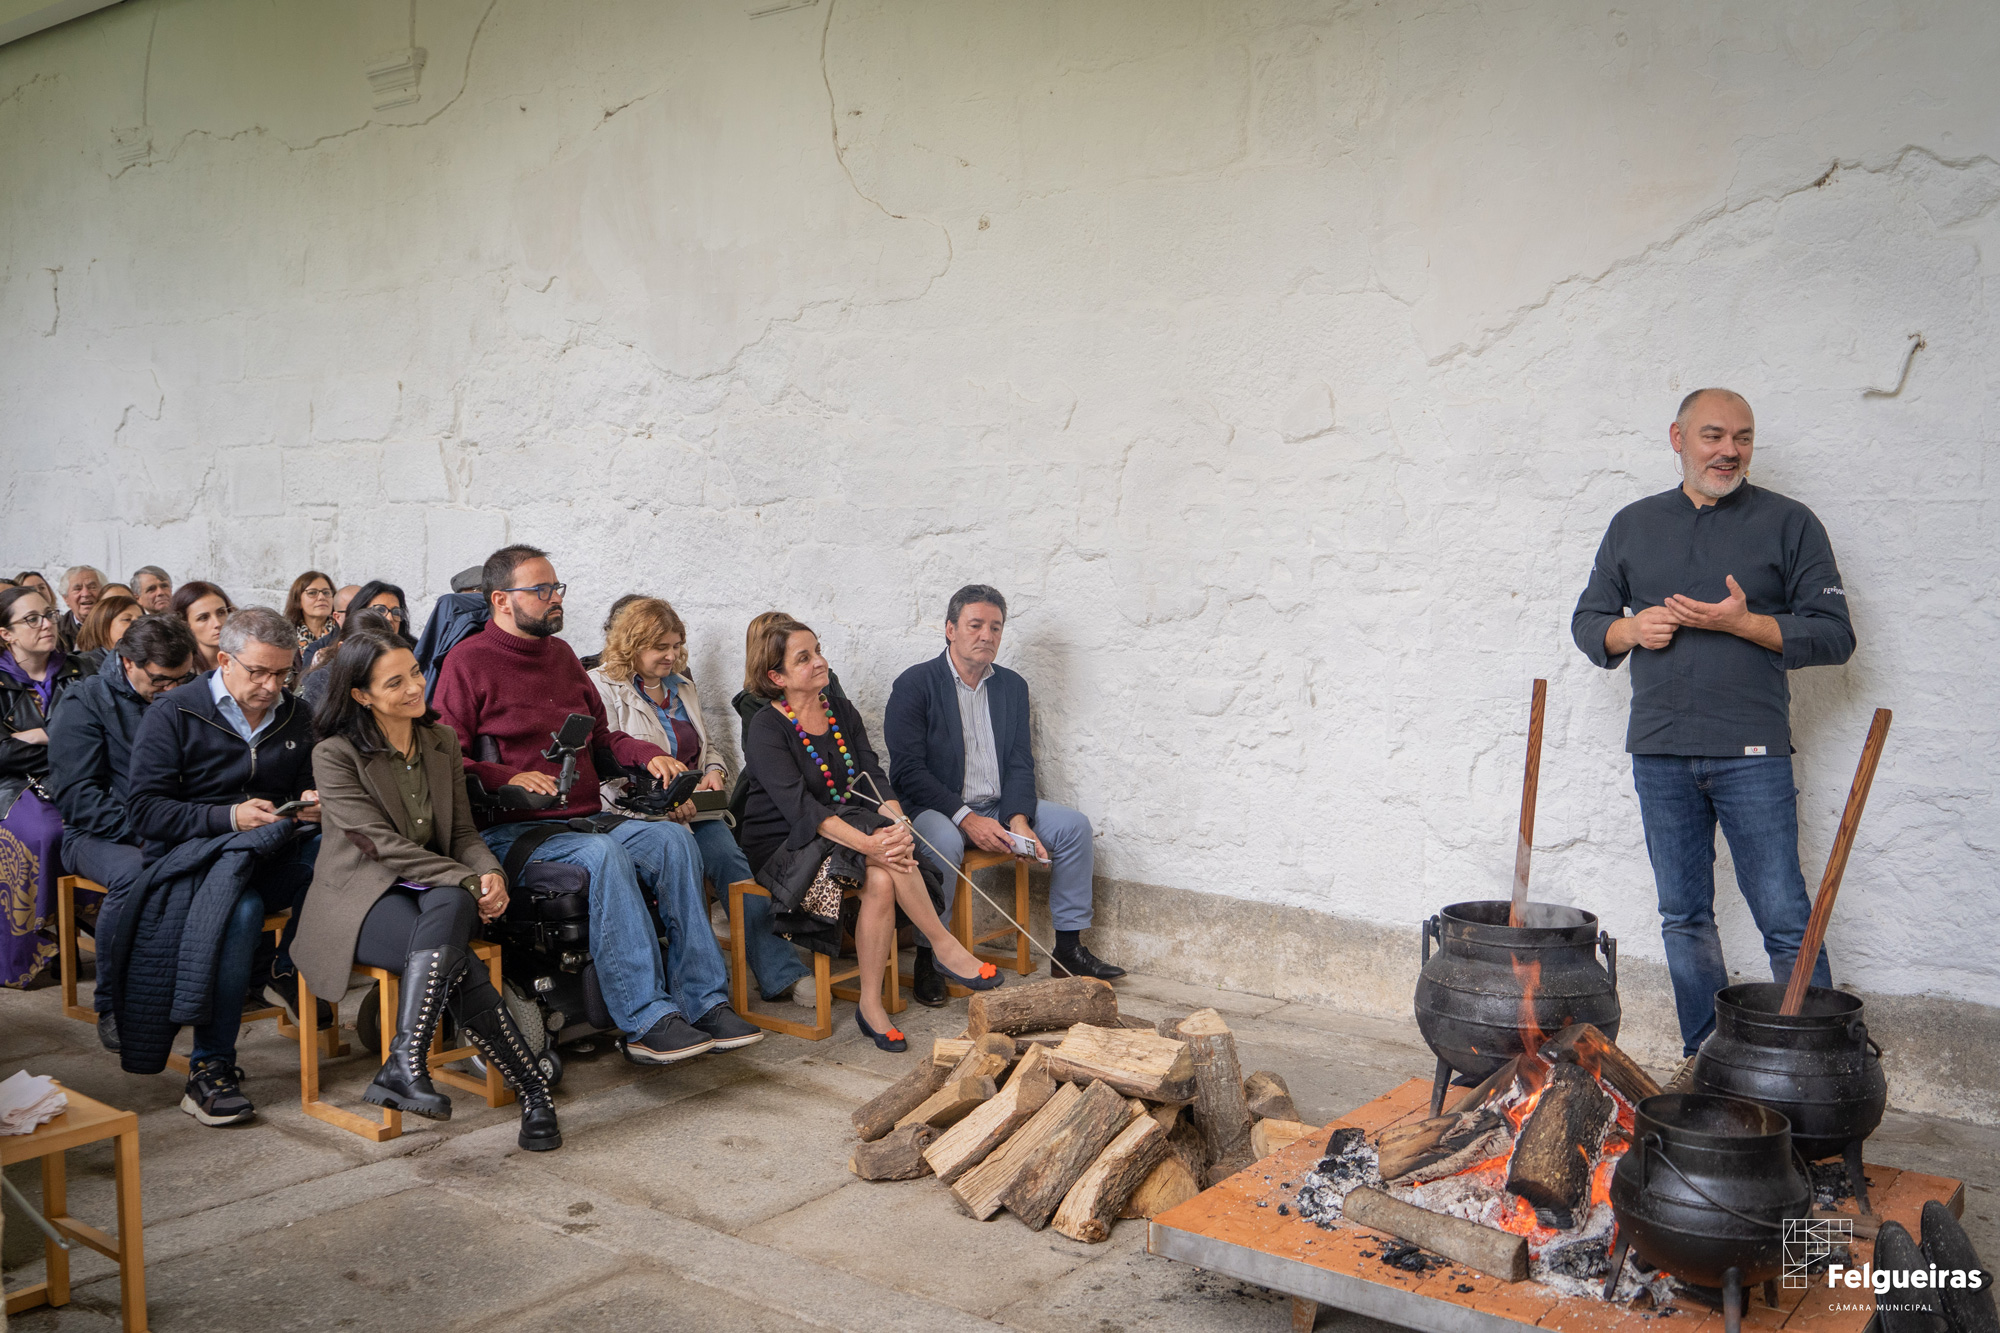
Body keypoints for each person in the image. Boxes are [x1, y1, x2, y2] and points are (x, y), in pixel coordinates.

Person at [1572, 388, 1856, 1058]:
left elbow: (1835, 634)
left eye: (1743, 437)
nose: (1730, 450)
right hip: (1660, 751)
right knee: (1683, 916)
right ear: (1678, 438)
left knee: (1786, 918)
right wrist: (1630, 630)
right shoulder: (1633, 524)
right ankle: (1707, 1057)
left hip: (1752, 753)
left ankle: (1813, 1065)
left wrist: (1745, 623)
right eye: (1713, 435)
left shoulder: (1790, 522)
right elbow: (1589, 622)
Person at [432, 544, 760, 1063]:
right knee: (602, 856)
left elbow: (602, 740)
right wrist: (510, 776)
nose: (555, 598)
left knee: (673, 840)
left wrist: (647, 754)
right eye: (541, 590)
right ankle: (645, 1020)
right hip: (515, 831)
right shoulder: (466, 663)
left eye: (556, 587)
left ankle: (704, 1002)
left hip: (583, 819)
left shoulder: (562, 658)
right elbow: (447, 760)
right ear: (501, 600)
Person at [296, 631, 560, 1150]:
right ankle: (534, 1091)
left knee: (453, 907)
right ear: (361, 695)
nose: (415, 687)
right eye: (394, 682)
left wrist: (490, 874)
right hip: (361, 898)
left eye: (415, 672)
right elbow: (379, 844)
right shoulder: (334, 754)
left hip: (433, 889)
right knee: (456, 955)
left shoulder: (439, 742)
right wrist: (466, 878)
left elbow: (462, 834)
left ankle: (404, 1063)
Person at [741, 615, 1000, 1051]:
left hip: (842, 827)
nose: (820, 661)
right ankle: (943, 945)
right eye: (804, 658)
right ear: (776, 676)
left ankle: (870, 1004)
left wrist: (899, 824)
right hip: (784, 841)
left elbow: (873, 777)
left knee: (880, 876)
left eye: (818, 650)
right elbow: (801, 809)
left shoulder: (840, 711)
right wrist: (870, 844)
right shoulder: (766, 727)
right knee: (880, 858)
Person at [121, 607, 325, 1124]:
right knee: (240, 911)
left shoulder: (296, 713)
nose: (271, 686)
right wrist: (227, 817)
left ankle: (285, 967)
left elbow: (307, 783)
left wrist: (311, 800)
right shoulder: (174, 712)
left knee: (342, 854)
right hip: (193, 858)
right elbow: (145, 811)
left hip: (269, 848)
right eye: (258, 672)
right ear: (224, 660)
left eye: (283, 673)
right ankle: (210, 1068)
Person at [885, 584, 1123, 1002]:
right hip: (936, 808)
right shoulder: (915, 684)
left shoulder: (1011, 686)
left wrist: (1018, 820)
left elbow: (1018, 763)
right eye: (975, 625)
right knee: (942, 842)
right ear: (950, 629)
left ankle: (1068, 950)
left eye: (995, 627)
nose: (987, 635)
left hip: (997, 806)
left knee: (1074, 827)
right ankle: (930, 956)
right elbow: (908, 771)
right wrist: (966, 819)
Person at [588, 598, 811, 1006]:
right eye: (661, 648)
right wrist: (662, 801)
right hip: (635, 815)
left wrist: (715, 773)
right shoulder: (601, 687)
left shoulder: (682, 686)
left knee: (734, 867)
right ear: (632, 645)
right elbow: (606, 767)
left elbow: (706, 749)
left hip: (694, 808)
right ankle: (699, 988)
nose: (672, 656)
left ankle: (781, 974)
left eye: (677, 646)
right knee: (684, 871)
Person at [48, 615, 200, 1047]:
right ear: (128, 662)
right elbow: (78, 797)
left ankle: (228, 983)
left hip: (175, 822)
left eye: (183, 678)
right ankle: (114, 1003)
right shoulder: (85, 701)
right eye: (161, 680)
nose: (172, 689)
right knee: (136, 874)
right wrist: (151, 831)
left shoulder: (187, 692)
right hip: (100, 833)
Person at [0, 586, 90, 987]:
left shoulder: (81, 670)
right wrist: (66, 745)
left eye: (49, 614)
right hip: (12, 785)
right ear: (6, 634)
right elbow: (2, 754)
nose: (46, 624)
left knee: (104, 824)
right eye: (31, 619)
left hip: (76, 779)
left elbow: (99, 735)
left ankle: (95, 929)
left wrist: (44, 736)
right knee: (46, 833)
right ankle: (41, 940)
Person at [173, 581, 235, 672]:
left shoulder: (244, 659)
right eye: (203, 618)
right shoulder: (181, 671)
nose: (217, 623)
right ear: (185, 624)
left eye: (221, 613)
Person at [73, 594, 141, 676]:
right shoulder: (87, 665)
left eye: (141, 620)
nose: (137, 624)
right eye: (127, 619)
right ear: (103, 625)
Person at [284, 571, 338, 650]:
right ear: (298, 601)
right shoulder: (284, 635)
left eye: (326, 592)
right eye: (312, 593)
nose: (321, 597)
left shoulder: (345, 632)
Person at [56, 566, 104, 652]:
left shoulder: (115, 624)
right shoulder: (57, 632)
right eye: (77, 589)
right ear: (66, 599)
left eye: (92, 587)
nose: (86, 594)